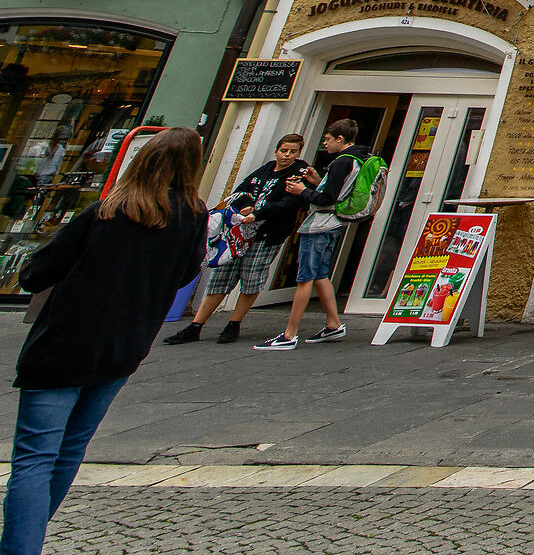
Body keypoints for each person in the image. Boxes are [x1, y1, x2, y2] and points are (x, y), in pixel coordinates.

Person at [6, 126, 207, 555]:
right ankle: (26, 537)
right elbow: (187, 274)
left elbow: (35, 273)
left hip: (64, 343)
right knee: (69, 449)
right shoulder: (192, 216)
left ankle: (20, 545)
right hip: (125, 345)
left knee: (35, 454)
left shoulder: (106, 210)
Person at [166, 134, 311, 345]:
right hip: (240, 233)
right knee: (222, 275)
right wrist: (244, 206)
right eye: (284, 150)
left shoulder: (299, 173)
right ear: (276, 150)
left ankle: (234, 322)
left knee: (251, 277)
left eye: (293, 152)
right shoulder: (265, 170)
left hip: (267, 234)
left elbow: (290, 202)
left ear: (299, 153)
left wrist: (259, 213)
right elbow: (240, 191)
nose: (287, 155)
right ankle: (196, 325)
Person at [255, 121, 365, 350]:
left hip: (319, 225)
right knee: (320, 275)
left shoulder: (341, 162)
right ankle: (333, 324)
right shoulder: (357, 160)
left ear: (340, 140)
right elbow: (335, 192)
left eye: (327, 139)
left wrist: (302, 191)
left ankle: (289, 334)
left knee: (305, 277)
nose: (324, 144)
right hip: (334, 224)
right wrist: (316, 182)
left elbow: (327, 199)